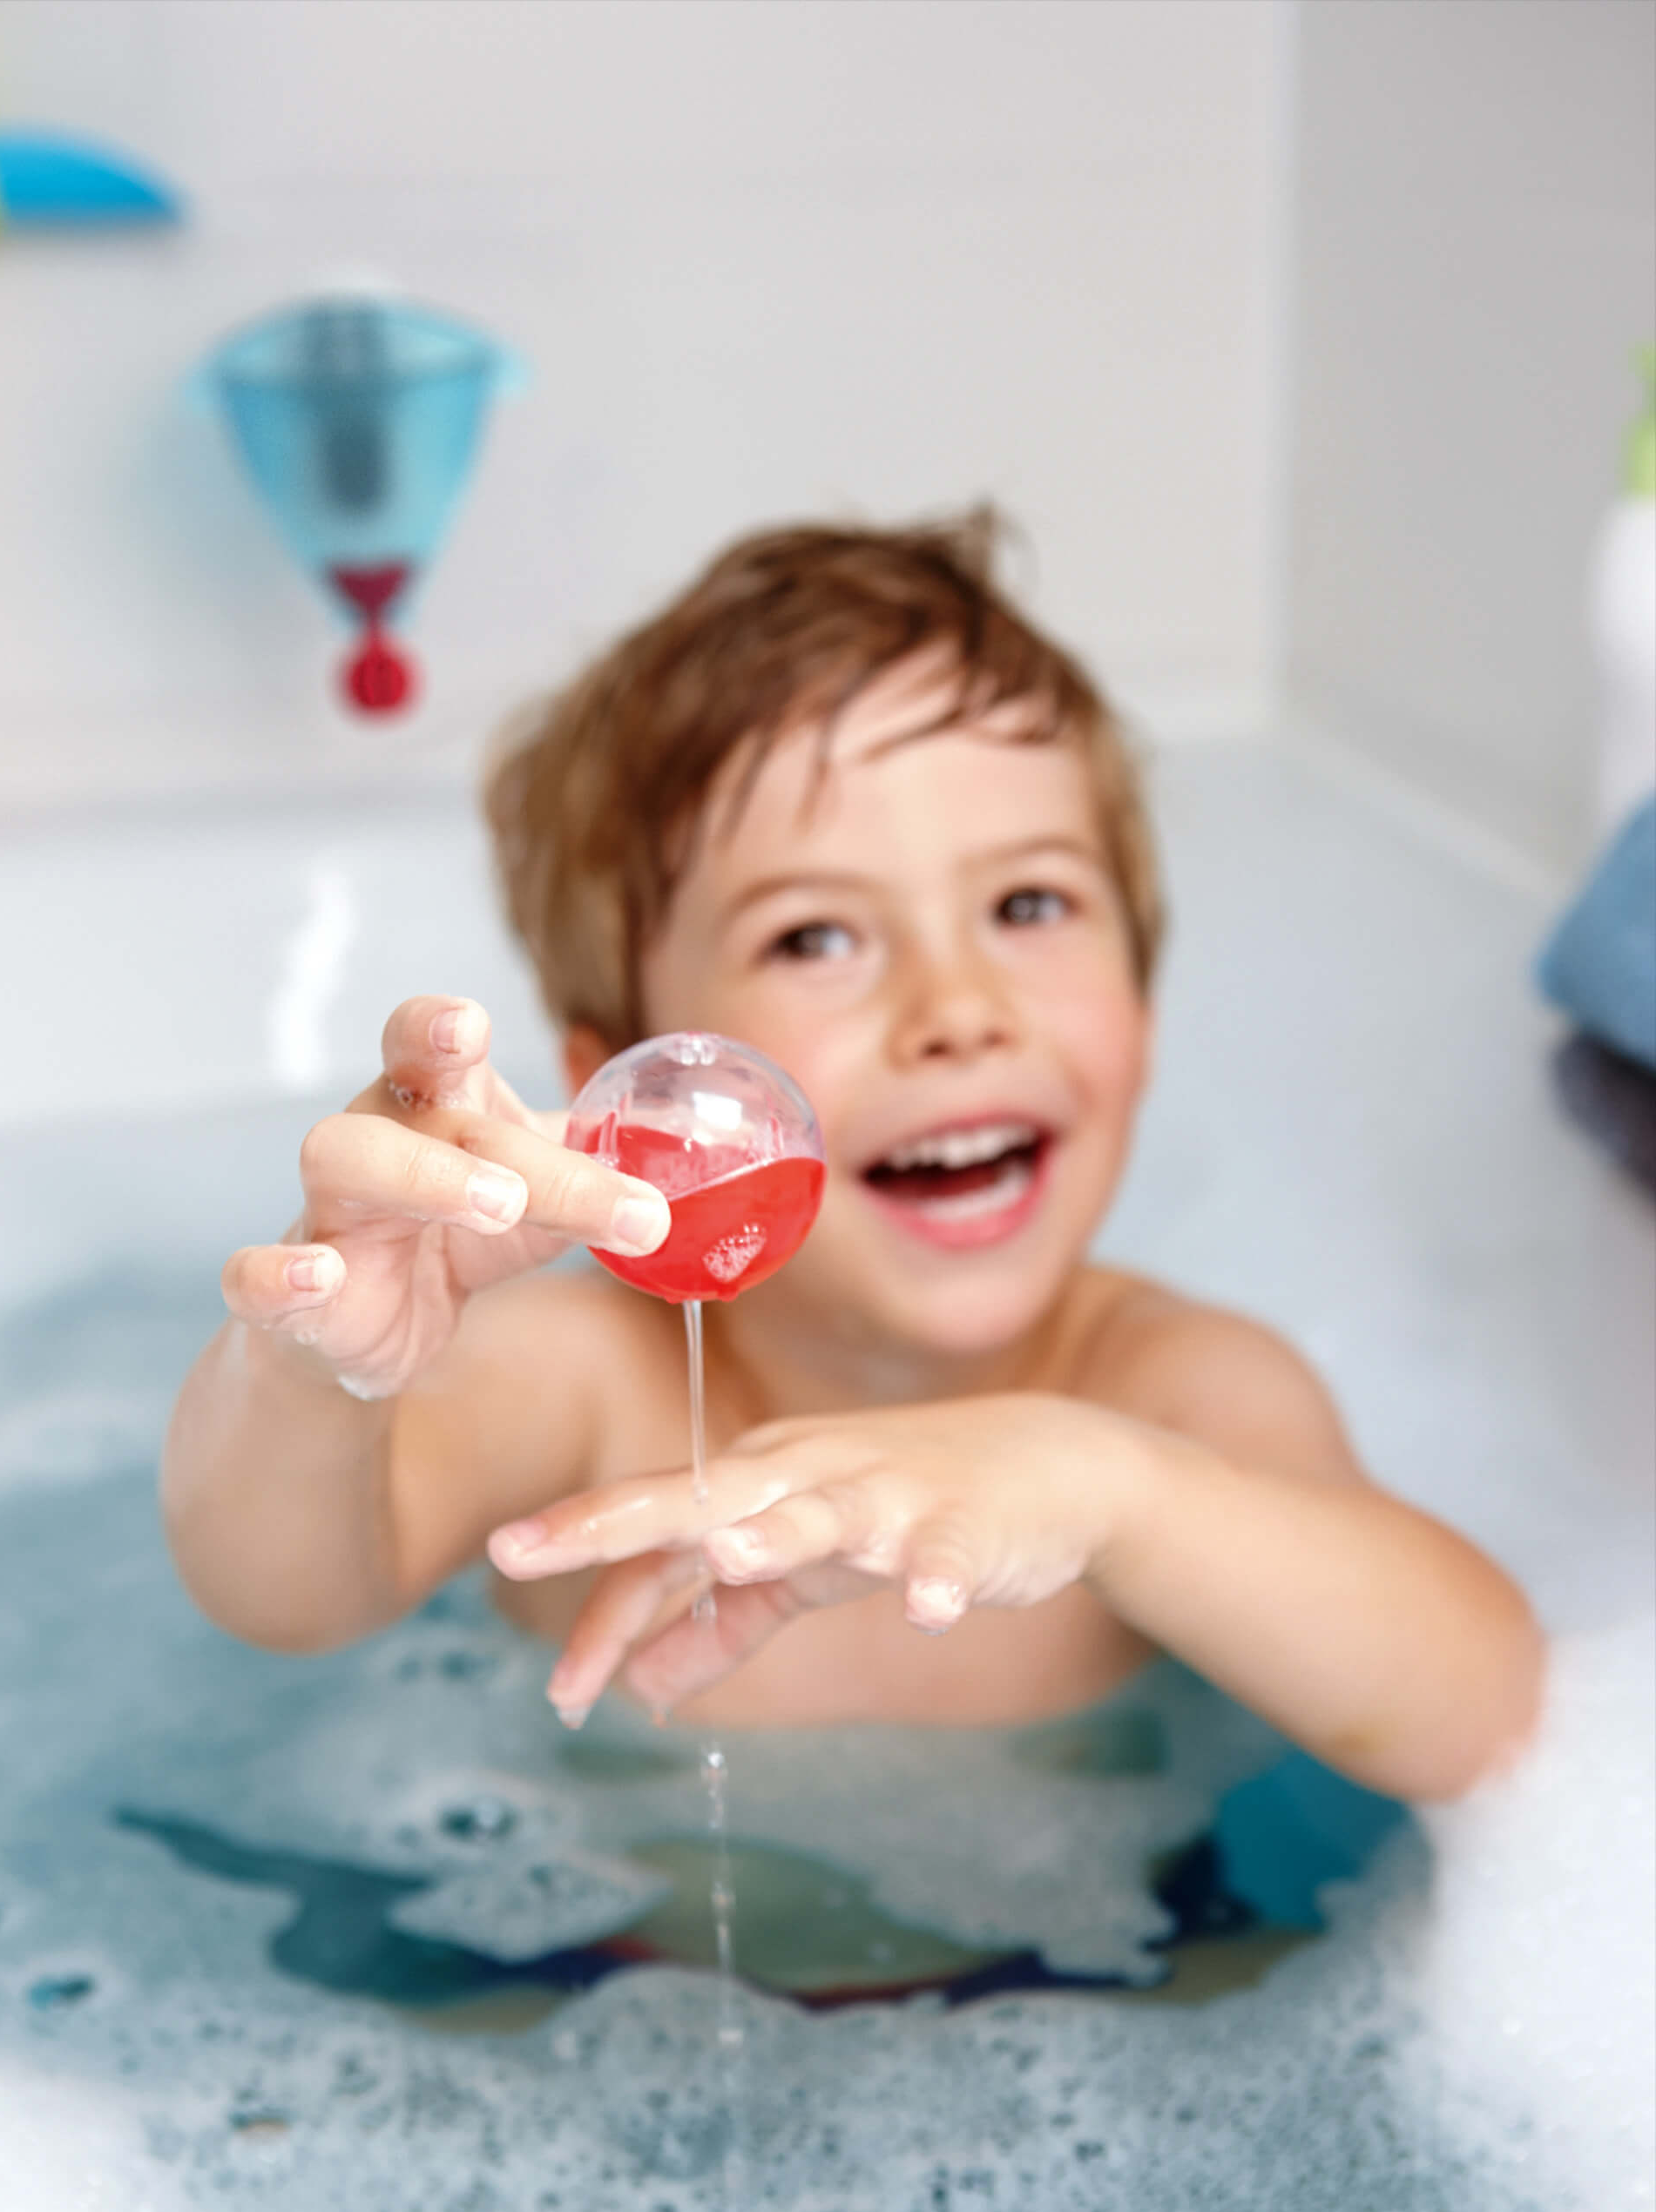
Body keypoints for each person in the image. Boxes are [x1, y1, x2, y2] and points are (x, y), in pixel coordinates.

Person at [163, 515, 1543, 1802]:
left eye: (1029, 903)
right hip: (600, 1967)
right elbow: (282, 1595)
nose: (956, 1010)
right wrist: (312, 1367)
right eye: (815, 937)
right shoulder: (590, 1382)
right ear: (627, 1083)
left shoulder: (1170, 1394)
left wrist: (1112, 1492)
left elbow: (1480, 1712)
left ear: (1146, 987)